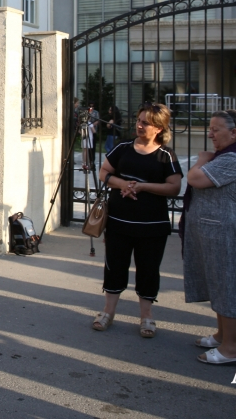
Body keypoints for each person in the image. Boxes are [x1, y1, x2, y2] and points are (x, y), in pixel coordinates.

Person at [93, 103, 182, 337]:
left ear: (159, 128)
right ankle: (107, 312)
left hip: (152, 225)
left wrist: (142, 187)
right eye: (139, 120)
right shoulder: (123, 148)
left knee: (148, 270)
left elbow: (174, 187)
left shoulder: (166, 155)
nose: (139, 125)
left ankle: (146, 316)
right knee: (114, 266)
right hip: (118, 221)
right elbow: (104, 172)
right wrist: (123, 183)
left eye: (146, 123)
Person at [184, 110, 236, 365]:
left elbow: (195, 178)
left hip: (229, 233)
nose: (210, 134)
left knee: (229, 286)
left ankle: (231, 348)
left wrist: (201, 160)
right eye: (210, 129)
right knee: (219, 283)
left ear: (233, 133)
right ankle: (222, 335)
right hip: (217, 233)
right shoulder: (226, 156)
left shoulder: (234, 159)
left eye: (215, 130)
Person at [81, 102, 99, 172]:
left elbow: (80, 130)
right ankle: (87, 163)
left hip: (84, 136)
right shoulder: (89, 123)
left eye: (93, 106)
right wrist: (92, 127)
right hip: (89, 137)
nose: (91, 107)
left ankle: (84, 162)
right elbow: (94, 131)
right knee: (88, 150)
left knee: (84, 150)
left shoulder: (83, 123)